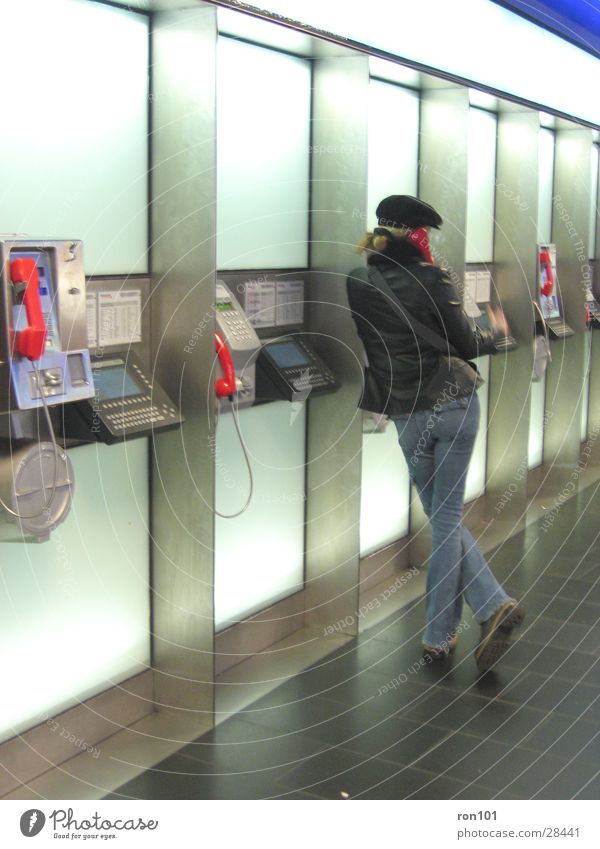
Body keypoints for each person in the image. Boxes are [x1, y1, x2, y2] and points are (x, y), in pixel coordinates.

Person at [347, 195, 524, 672]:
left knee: (442, 518)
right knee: (447, 522)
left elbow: (379, 347)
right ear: (416, 236)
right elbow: (467, 343)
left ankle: (452, 630)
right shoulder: (431, 278)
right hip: (453, 406)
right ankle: (476, 616)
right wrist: (495, 329)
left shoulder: (358, 281)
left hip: (407, 414)